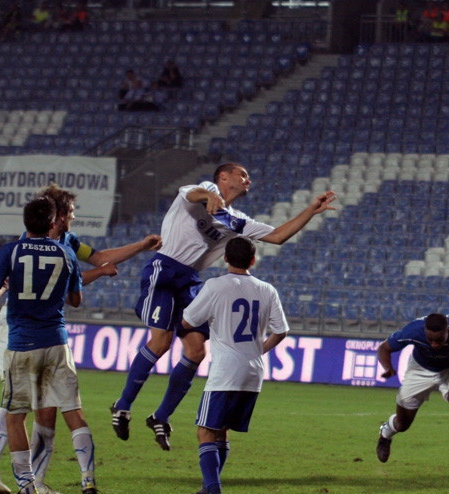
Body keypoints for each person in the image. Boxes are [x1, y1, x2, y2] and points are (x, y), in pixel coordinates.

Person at [110, 163, 336, 451]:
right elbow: (191, 194)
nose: (248, 179)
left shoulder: (236, 220)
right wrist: (208, 194)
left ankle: (161, 416)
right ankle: (123, 405)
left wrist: (310, 211)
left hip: (191, 280)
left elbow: (278, 237)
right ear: (223, 177)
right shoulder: (205, 190)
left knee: (196, 350)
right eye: (242, 174)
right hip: (165, 267)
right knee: (161, 341)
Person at [0, 183, 161, 494]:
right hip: (14, 326)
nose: (74, 217)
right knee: (18, 404)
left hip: (38, 331)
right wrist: (98, 274)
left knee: (43, 409)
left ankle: (35, 480)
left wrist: (140, 246)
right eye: (71, 212)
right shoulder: (30, 243)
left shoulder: (67, 242)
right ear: (56, 216)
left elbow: (99, 257)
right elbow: (66, 282)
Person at [0, 197, 99, 494]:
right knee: (73, 412)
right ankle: (88, 480)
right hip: (57, 343)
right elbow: (75, 299)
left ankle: (27, 487)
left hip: (21, 343)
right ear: (53, 223)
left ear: (24, 223)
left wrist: (6, 286)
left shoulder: (10, 251)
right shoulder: (67, 252)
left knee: (15, 416)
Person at [173, 237, 287, 494]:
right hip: (253, 372)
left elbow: (188, 321)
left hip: (226, 371)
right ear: (253, 260)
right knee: (221, 432)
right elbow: (281, 331)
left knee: (204, 431)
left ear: (225, 258)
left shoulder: (215, 286)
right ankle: (206, 491)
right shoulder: (266, 289)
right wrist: (260, 350)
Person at [375, 312, 449, 489]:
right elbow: (384, 348)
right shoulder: (414, 330)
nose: (434, 345)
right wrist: (388, 368)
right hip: (420, 371)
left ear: (448, 330)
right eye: (430, 340)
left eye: (439, 340)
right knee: (403, 423)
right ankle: (386, 432)